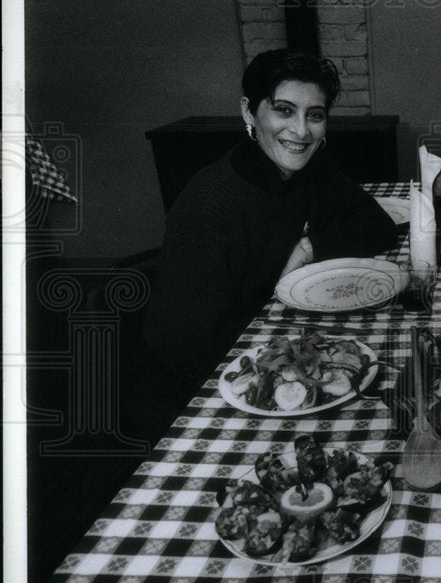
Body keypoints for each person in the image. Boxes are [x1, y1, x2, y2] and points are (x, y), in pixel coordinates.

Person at [142, 48, 398, 424]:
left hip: (278, 343)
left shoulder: (308, 166)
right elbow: (191, 350)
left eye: (315, 115)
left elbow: (379, 226)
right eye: (283, 110)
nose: (300, 131)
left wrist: (307, 248)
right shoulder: (210, 207)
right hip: (204, 393)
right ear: (249, 111)